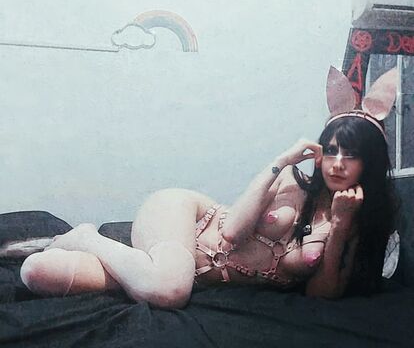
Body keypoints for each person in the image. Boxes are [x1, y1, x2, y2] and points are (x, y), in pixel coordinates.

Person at [19, 68, 398, 309]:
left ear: (370, 162)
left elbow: (320, 295)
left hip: (191, 274)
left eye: (351, 155)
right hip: (187, 220)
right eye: (331, 150)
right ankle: (87, 237)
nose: (336, 162)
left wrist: (341, 227)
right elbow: (232, 231)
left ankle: (105, 252)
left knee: (39, 272)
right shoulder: (291, 181)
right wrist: (281, 161)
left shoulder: (357, 222)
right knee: (169, 290)